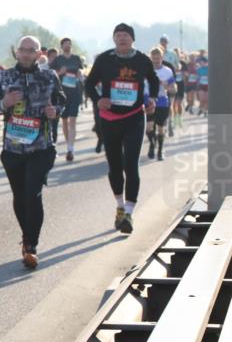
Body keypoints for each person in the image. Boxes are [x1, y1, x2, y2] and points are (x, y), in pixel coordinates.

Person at [0, 36, 65, 268]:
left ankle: (31, 244)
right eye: (23, 50)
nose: (27, 54)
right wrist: (5, 103)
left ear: (39, 54)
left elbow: (62, 101)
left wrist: (55, 111)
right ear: (16, 52)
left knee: (32, 193)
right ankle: (26, 237)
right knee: (20, 196)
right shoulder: (5, 76)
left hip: (41, 148)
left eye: (32, 50)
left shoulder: (49, 76)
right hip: (13, 149)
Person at [83, 23, 158, 234]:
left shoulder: (142, 60)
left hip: (134, 117)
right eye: (118, 35)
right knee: (114, 165)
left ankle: (129, 213)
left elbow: (153, 80)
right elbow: (89, 84)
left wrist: (151, 98)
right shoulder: (105, 59)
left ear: (132, 39)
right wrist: (98, 100)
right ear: (114, 39)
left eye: (126, 35)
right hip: (110, 118)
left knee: (131, 164)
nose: (122, 38)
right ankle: (119, 205)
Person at [49, 38, 86, 162]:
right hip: (62, 94)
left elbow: (81, 69)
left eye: (69, 44)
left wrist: (79, 73)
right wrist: (60, 72)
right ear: (61, 46)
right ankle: (68, 145)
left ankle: (71, 149)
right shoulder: (58, 60)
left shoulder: (76, 58)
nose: (67, 46)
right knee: (64, 121)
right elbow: (51, 75)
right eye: (65, 44)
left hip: (75, 92)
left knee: (73, 120)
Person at [147, 47, 175, 161]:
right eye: (154, 58)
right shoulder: (147, 70)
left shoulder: (167, 71)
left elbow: (173, 88)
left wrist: (167, 86)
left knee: (160, 128)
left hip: (162, 101)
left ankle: (160, 151)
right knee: (149, 127)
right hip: (149, 101)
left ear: (162, 57)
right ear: (151, 58)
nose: (156, 60)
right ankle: (152, 143)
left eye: (158, 58)